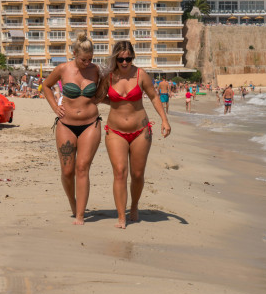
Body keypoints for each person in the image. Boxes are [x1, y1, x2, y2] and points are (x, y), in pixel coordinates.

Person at [100, 41, 171, 228]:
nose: (124, 63)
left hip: (141, 131)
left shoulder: (141, 75)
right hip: (115, 132)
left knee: (137, 174)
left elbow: (154, 97)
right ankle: (121, 217)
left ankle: (134, 205)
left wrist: (164, 120)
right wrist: (115, 103)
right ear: (116, 58)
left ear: (133, 57)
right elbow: (98, 97)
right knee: (120, 172)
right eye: (121, 59)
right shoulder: (108, 77)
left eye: (128, 59)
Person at [41, 32, 102, 225]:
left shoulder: (96, 71)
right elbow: (46, 86)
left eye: (90, 59)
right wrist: (54, 106)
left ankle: (81, 215)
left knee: (82, 168)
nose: (87, 63)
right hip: (65, 124)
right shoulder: (62, 69)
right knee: (68, 171)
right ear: (74, 53)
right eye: (84, 59)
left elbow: (100, 95)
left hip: (91, 123)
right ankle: (72, 202)